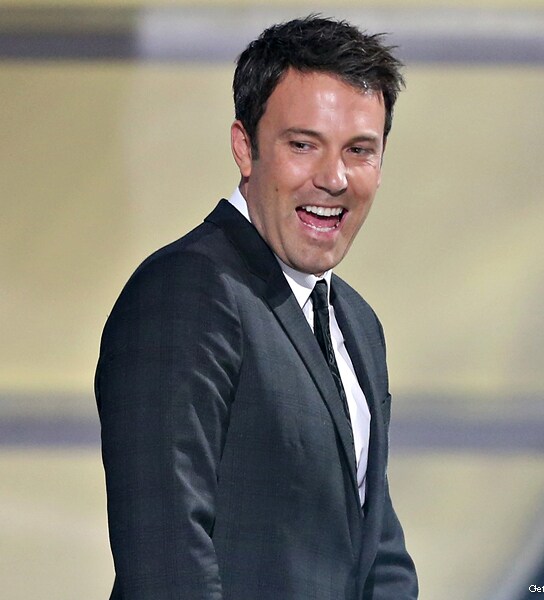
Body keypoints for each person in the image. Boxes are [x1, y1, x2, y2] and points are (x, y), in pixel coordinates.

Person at [95, 15, 418, 600]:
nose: (334, 178)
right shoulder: (187, 291)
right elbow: (167, 556)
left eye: (359, 150)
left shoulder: (358, 324)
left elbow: (378, 552)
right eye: (303, 145)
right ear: (245, 148)